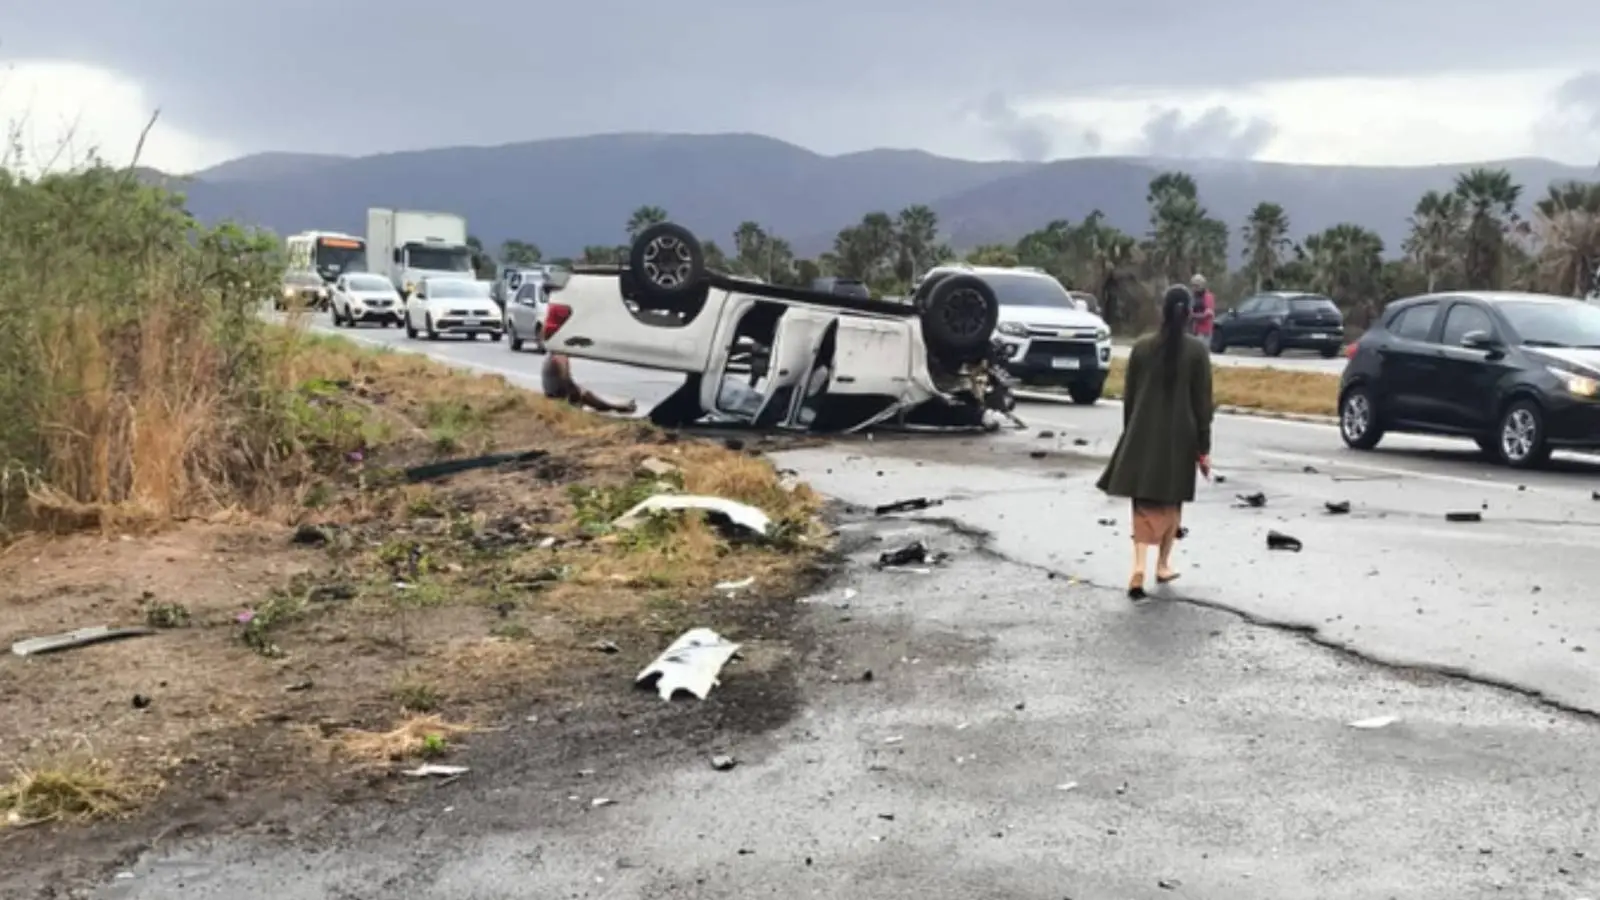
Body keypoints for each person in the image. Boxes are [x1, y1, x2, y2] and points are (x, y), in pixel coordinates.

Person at [1094, 285, 1214, 599]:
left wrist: (1131, 433)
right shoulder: (1197, 352)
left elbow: (1130, 398)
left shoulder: (1141, 348)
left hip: (1142, 433)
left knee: (1143, 501)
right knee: (1172, 500)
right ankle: (1162, 564)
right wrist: (1204, 449)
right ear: (1189, 314)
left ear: (1163, 311)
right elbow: (1203, 404)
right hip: (1181, 438)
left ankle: (1138, 564)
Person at [541, 353, 638, 414]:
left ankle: (619, 407)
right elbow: (565, 379)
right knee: (588, 396)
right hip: (558, 393)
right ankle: (619, 408)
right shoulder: (560, 357)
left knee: (586, 394)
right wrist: (578, 393)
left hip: (551, 391)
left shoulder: (551, 355)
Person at [1188, 274, 1215, 342]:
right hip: (1194, 331)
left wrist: (1193, 316)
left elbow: (1208, 314)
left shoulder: (1208, 296)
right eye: (1193, 285)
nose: (1193, 288)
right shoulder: (1193, 297)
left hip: (1204, 331)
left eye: (1195, 286)